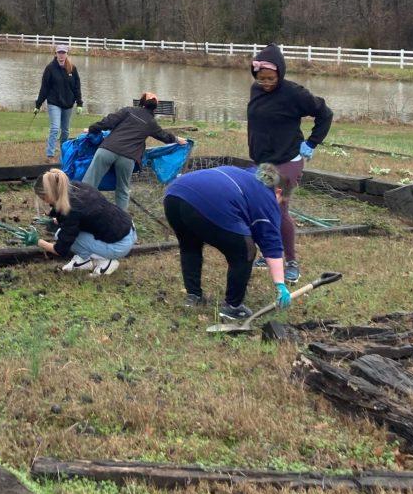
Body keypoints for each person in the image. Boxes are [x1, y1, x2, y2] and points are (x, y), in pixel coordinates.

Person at [247, 43, 333, 284]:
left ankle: (292, 262)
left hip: (288, 160)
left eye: (270, 78)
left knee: (279, 207)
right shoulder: (256, 90)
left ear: (280, 73)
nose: (265, 83)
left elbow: (325, 113)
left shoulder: (294, 93)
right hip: (263, 161)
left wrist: (313, 142)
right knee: (262, 207)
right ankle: (268, 254)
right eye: (261, 78)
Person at [163, 163, 289, 320]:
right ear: (278, 192)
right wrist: (280, 285)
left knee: (190, 245)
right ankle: (233, 307)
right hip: (207, 201)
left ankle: (193, 296)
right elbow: (272, 244)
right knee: (245, 251)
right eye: (281, 201)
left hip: (174, 194)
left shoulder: (243, 175)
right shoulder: (267, 196)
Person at [82, 93, 187, 211]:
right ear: (155, 108)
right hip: (128, 158)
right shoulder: (151, 123)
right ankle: (122, 222)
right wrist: (178, 140)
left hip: (108, 150)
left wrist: (91, 129)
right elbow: (164, 136)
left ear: (141, 103)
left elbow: (108, 122)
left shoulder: (128, 111)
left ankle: (79, 210)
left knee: (89, 184)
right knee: (122, 190)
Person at [34, 168, 136, 277]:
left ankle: (105, 261)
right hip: (127, 229)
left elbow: (60, 249)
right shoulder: (75, 186)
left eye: (43, 197)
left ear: (48, 195)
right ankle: (84, 261)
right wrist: (54, 219)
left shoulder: (72, 210)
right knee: (64, 232)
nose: (43, 201)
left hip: (119, 245)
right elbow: (76, 217)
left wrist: (37, 241)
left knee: (61, 236)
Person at [35, 44, 83, 164]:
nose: (61, 55)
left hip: (68, 104)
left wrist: (79, 103)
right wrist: (38, 104)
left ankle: (64, 153)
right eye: (59, 52)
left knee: (65, 130)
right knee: (55, 128)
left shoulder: (72, 68)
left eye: (63, 53)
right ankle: (50, 155)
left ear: (67, 54)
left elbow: (77, 87)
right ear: (55, 54)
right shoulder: (50, 68)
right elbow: (44, 88)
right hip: (54, 103)